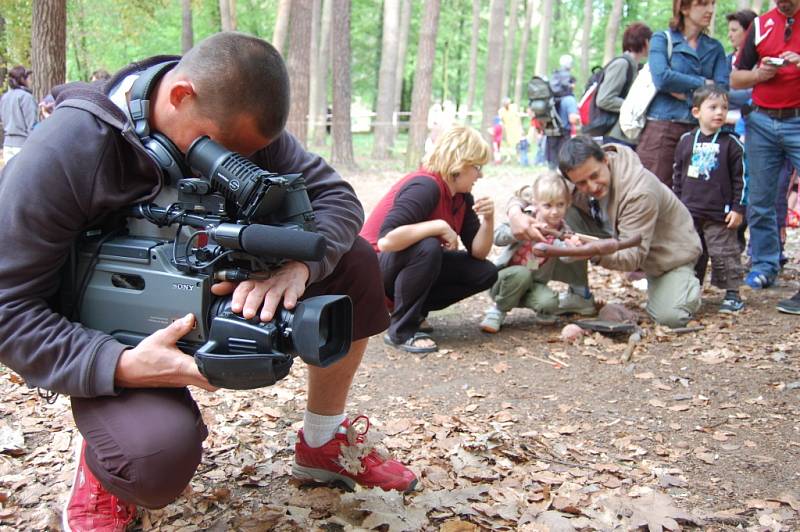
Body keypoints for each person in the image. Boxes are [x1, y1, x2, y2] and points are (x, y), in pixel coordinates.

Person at [0, 33, 418, 532]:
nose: (237, 164)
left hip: (209, 293)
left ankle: (322, 441)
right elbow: (8, 308)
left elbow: (337, 199)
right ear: (180, 96)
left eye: (251, 153)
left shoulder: (236, 119)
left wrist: (296, 267)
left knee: (351, 257)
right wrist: (123, 365)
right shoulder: (68, 149)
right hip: (111, 334)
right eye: (220, 148)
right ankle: (100, 471)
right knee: (152, 461)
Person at [360, 125, 498, 353]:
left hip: (400, 269)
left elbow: (478, 252)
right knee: (428, 246)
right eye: (478, 167)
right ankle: (400, 331)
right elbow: (386, 240)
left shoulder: (461, 198)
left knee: (485, 272)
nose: (480, 174)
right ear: (460, 164)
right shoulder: (425, 186)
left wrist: (489, 220)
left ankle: (414, 311)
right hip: (374, 272)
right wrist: (438, 226)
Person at [557, 136, 703, 328]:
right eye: (581, 183)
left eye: (594, 176)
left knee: (671, 317)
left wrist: (590, 252)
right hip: (618, 238)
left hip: (669, 257)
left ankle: (683, 285)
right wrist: (517, 210)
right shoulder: (579, 173)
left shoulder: (639, 191)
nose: (591, 187)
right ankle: (578, 294)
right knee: (555, 206)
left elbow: (633, 257)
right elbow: (540, 192)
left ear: (606, 160)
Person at [731, 0, 800, 302]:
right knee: (760, 197)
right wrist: (759, 75)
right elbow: (736, 77)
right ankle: (764, 264)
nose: (782, 3)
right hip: (761, 121)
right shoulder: (760, 26)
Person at [636, 0, 729, 189]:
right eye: (702, 4)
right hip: (662, 129)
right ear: (684, 8)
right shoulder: (662, 39)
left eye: (712, 4)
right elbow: (662, 78)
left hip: (700, 132)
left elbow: (721, 90)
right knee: (652, 192)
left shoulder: (715, 48)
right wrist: (703, 83)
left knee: (694, 196)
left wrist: (684, 93)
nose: (710, 10)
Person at [673, 85, 746, 313]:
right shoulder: (686, 140)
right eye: (712, 107)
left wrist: (738, 208)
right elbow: (677, 174)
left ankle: (733, 294)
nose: (719, 112)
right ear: (696, 112)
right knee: (693, 253)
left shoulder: (732, 143)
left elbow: (742, 179)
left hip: (721, 214)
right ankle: (692, 292)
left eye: (724, 107)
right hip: (690, 212)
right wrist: (676, 205)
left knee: (725, 253)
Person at [480, 174, 582, 333]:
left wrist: (574, 249)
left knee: (550, 302)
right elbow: (497, 237)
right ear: (536, 203)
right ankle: (498, 310)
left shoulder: (562, 231)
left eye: (560, 205)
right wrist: (517, 232)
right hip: (503, 281)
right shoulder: (525, 217)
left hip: (532, 285)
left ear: (567, 204)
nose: (555, 212)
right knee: (521, 273)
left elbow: (565, 256)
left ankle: (543, 310)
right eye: (548, 206)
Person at [594, 22, 653, 146]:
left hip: (622, 134)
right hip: (614, 135)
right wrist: (634, 108)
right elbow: (604, 99)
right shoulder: (622, 64)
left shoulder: (634, 66)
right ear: (646, 42)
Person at [544, 55, 580, 168]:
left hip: (550, 133)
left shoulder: (550, 98)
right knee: (563, 166)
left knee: (551, 167)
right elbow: (573, 119)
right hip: (564, 135)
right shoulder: (570, 99)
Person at [0, 65, 37, 162]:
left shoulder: (4, 97)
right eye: (28, 78)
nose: (30, 81)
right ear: (22, 79)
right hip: (22, 146)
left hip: (7, 146)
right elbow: (32, 125)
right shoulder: (26, 97)